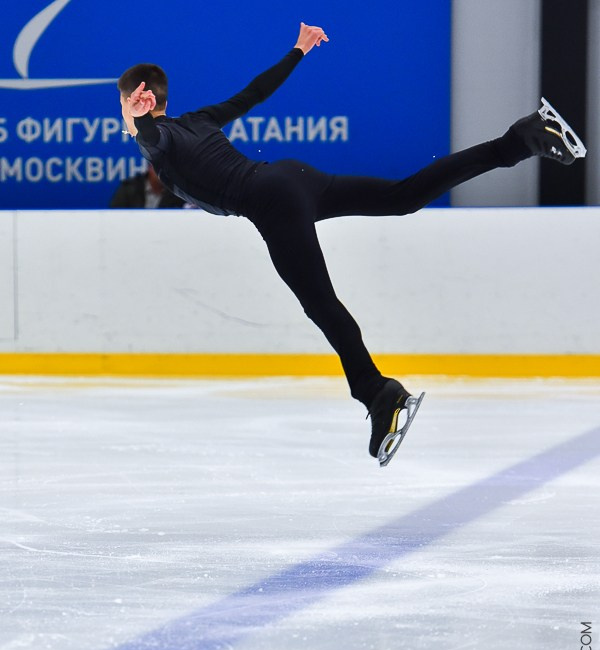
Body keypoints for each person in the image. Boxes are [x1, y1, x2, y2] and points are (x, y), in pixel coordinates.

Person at [117, 23, 586, 466]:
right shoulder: (197, 120)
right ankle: (519, 140)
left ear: (139, 100)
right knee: (403, 198)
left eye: (127, 104)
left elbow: (154, 137)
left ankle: (378, 393)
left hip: (270, 201)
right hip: (291, 178)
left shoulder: (157, 138)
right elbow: (253, 93)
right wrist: (298, 50)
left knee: (321, 304)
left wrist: (139, 123)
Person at [109, 163, 185, 208]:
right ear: (150, 168)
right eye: (159, 169)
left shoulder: (177, 194)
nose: (163, 174)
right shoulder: (129, 189)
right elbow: (114, 214)